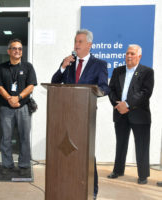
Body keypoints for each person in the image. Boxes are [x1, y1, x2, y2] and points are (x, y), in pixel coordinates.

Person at [51, 29, 109, 199]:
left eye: (80, 42)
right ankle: (69, 184)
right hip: (66, 114)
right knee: (67, 150)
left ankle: (93, 190)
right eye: (75, 41)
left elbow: (105, 88)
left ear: (89, 45)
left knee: (87, 151)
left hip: (86, 114)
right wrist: (62, 67)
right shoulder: (68, 63)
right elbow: (55, 83)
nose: (76, 45)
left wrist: (92, 91)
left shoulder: (99, 64)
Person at [107, 44, 154, 185]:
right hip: (120, 113)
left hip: (139, 114)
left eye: (132, 53)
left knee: (142, 145)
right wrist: (118, 105)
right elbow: (111, 90)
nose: (129, 56)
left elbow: (146, 92)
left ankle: (143, 175)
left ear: (139, 56)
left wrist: (126, 104)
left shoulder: (147, 72)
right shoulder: (117, 71)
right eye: (127, 53)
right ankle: (118, 170)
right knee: (121, 143)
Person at [0, 39, 37, 176]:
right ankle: (7, 165)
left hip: (23, 107)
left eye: (20, 49)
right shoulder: (1, 67)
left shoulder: (28, 67)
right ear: (9, 51)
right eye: (14, 48)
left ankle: (24, 165)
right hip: (6, 108)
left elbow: (31, 85)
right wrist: (9, 98)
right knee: (6, 138)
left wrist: (18, 98)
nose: (17, 51)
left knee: (24, 137)